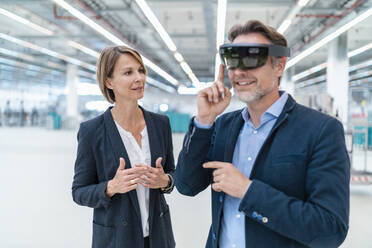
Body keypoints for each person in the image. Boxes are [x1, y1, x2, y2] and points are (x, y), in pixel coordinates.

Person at [175, 20, 349, 248]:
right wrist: (204, 122)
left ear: (279, 65)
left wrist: (248, 192)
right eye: (233, 61)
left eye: (252, 59)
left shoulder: (321, 130)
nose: (239, 72)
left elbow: (329, 229)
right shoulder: (225, 126)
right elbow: (187, 186)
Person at [72, 46, 176, 248]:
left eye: (141, 70)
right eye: (128, 72)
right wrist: (111, 187)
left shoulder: (160, 124)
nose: (139, 78)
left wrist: (165, 180)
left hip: (159, 238)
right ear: (109, 81)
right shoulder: (92, 131)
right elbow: (79, 191)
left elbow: (172, 173)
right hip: (116, 240)